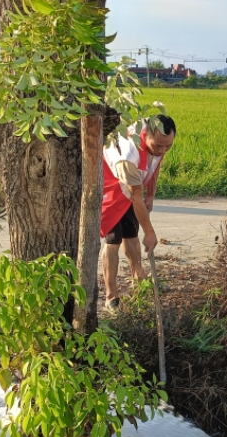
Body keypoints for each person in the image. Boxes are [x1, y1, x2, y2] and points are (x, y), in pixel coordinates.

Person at [100, 115, 176, 310]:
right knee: (113, 240)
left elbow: (155, 163)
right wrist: (149, 232)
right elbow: (135, 196)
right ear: (145, 135)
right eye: (158, 146)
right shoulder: (128, 154)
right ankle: (111, 296)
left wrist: (151, 194)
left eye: (168, 146)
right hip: (109, 189)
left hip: (131, 186)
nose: (162, 150)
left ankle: (139, 279)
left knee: (131, 233)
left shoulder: (159, 141)